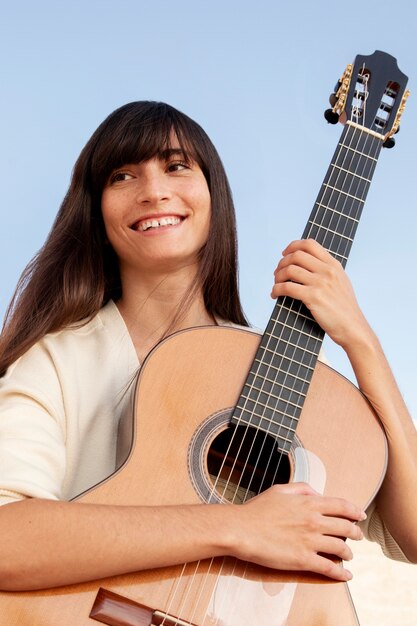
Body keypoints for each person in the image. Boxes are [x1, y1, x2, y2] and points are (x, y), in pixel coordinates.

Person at [0, 101, 416, 594]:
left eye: (177, 166)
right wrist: (238, 528)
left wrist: (360, 340)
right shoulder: (56, 361)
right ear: (96, 211)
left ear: (214, 194)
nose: (154, 191)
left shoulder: (282, 369)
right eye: (122, 176)